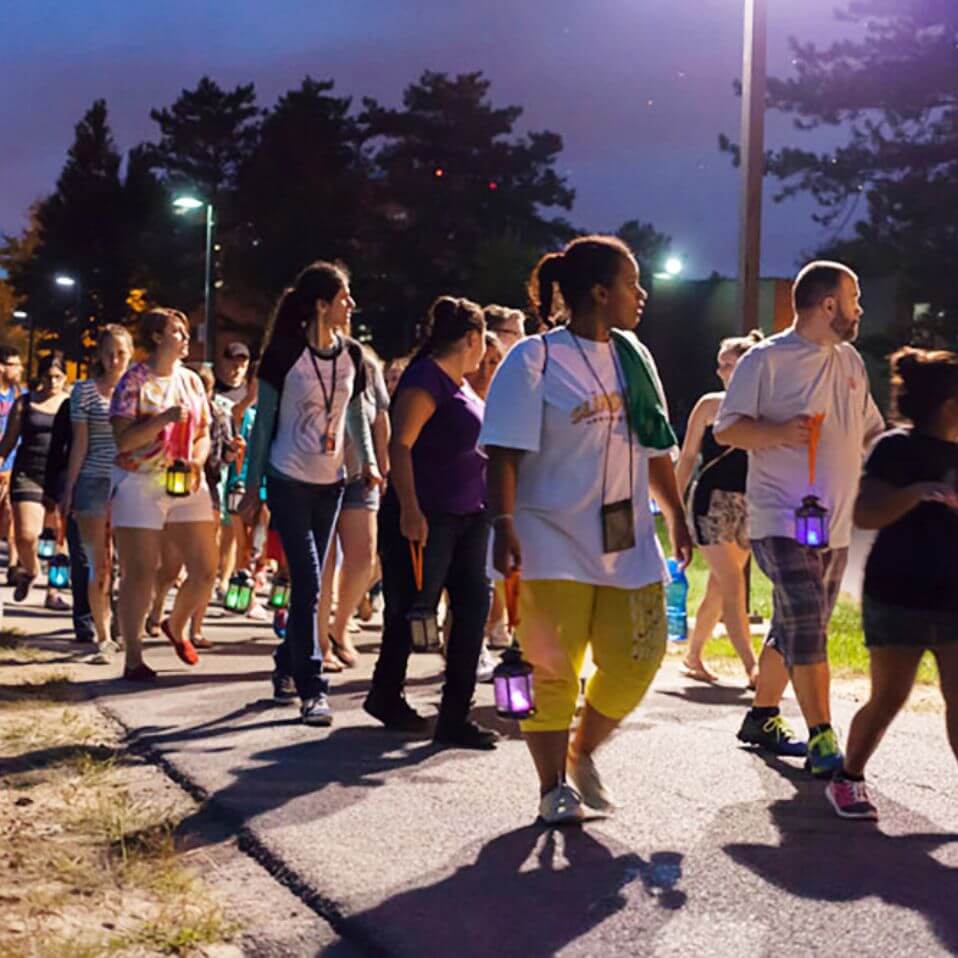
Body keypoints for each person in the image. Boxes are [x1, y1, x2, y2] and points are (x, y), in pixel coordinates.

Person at [482, 234, 692, 824]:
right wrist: (504, 523)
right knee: (551, 669)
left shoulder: (635, 356)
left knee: (639, 655)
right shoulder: (535, 358)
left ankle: (583, 749)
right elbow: (502, 453)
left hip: (626, 541)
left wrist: (675, 513)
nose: (641, 294)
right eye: (631, 283)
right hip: (549, 537)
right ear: (600, 293)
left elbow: (655, 445)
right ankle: (553, 789)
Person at [714, 261, 884, 778]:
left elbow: (872, 431)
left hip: (834, 525)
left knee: (795, 624)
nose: (859, 309)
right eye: (853, 298)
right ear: (828, 305)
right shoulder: (765, 361)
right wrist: (780, 431)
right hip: (777, 518)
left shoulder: (851, 362)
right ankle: (823, 739)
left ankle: (762, 717)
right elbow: (727, 430)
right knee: (808, 622)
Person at [240, 261, 378, 726]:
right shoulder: (284, 355)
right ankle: (313, 687)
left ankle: (285, 665)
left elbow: (355, 414)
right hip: (288, 479)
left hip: (332, 482)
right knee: (311, 580)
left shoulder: (353, 355)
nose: (351, 305)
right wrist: (250, 487)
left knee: (310, 583)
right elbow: (262, 428)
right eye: (344, 298)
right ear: (322, 304)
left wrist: (369, 464)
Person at [825, 347, 958, 819]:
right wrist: (921, 492)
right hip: (898, 594)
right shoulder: (896, 449)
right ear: (948, 405)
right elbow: (864, 511)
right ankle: (848, 777)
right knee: (889, 697)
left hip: (952, 598)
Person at [364, 296, 498, 750]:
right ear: (471, 339)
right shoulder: (426, 381)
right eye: (484, 345)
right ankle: (386, 693)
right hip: (430, 514)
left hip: (469, 514)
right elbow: (400, 447)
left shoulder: (461, 385)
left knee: (472, 609)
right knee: (412, 608)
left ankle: (455, 714)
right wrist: (411, 509)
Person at [110, 308, 217, 682]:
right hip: (140, 481)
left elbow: (203, 432)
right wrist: (161, 421)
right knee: (140, 572)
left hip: (184, 482)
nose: (185, 338)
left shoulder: (191, 381)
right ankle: (134, 658)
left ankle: (177, 622)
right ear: (157, 337)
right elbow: (122, 440)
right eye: (177, 331)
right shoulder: (134, 381)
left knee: (205, 569)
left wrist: (198, 462)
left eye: (186, 331)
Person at [675, 331, 763, 685]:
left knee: (719, 586)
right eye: (721, 365)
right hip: (710, 501)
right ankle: (751, 666)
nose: (723, 371)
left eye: (731, 364)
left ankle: (693, 655)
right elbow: (687, 458)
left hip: (747, 502)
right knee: (732, 582)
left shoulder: (765, 409)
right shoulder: (711, 406)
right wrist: (672, 507)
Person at [316, 344, 391, 670]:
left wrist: (382, 466)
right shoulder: (309, 360)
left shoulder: (367, 363)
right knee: (324, 563)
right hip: (317, 475)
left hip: (361, 474)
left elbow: (380, 418)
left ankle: (340, 624)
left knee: (364, 557)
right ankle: (320, 642)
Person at [61, 325, 134, 658]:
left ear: (130, 353)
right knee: (98, 564)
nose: (114, 359)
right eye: (108, 353)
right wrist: (69, 489)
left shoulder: (138, 389)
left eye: (120, 352)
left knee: (133, 564)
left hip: (131, 483)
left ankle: (129, 627)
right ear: (99, 356)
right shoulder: (84, 392)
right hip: (93, 482)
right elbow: (79, 444)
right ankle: (103, 635)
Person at [0, 354, 70, 606]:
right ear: (40, 377)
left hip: (59, 475)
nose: (52, 382)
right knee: (27, 536)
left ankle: (54, 591)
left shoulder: (71, 403)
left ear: (65, 378)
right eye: (48, 376)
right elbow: (7, 443)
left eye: (58, 377)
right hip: (27, 474)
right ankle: (30, 570)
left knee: (57, 539)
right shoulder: (25, 403)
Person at [0, 346, 24, 582]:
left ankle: (14, 565)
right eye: (14, 364)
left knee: (13, 516)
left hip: (14, 465)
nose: (20, 369)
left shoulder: (19, 394)